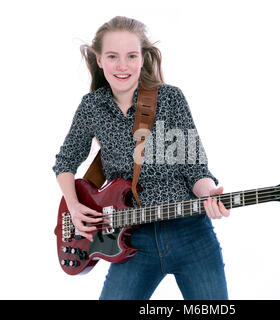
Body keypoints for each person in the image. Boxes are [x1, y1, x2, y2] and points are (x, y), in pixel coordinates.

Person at [52, 16, 230, 300]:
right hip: (131, 238)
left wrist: (210, 195)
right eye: (113, 56)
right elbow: (65, 162)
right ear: (99, 60)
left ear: (143, 58)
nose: (122, 66)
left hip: (190, 234)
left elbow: (195, 169)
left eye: (131, 56)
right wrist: (73, 206)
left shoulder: (170, 99)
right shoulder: (92, 107)